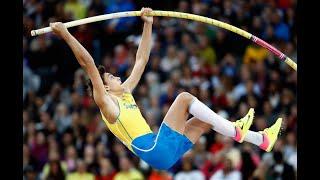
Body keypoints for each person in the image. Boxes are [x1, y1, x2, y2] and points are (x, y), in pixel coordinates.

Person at [49, 7, 282, 170]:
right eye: (110, 77)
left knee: (204, 121)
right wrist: (66, 34)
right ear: (105, 88)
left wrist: (148, 25)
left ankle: (260, 139)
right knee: (183, 98)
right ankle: (236, 131)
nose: (117, 76)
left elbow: (141, 61)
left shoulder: (126, 92)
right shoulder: (107, 103)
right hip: (154, 150)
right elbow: (87, 63)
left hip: (162, 155)